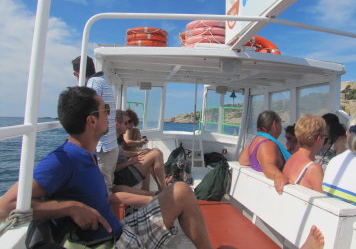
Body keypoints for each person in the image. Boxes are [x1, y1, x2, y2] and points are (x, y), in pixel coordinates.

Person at [0, 86, 213, 248]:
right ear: (92, 121)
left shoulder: (85, 153)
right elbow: (6, 206)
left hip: (120, 230)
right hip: (114, 243)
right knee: (182, 192)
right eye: (106, 110)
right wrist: (70, 208)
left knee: (178, 190)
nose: (111, 116)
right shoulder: (63, 160)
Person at [72, 56, 118, 194]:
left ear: (77, 74)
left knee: (103, 191)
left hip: (103, 148)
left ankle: (104, 215)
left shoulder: (93, 83)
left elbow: (90, 109)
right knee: (105, 187)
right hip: (109, 146)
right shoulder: (101, 81)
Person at [114, 110, 166, 194]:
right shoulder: (111, 142)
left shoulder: (117, 138)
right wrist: (129, 163)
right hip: (123, 175)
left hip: (127, 167)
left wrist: (138, 153)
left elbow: (122, 153)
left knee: (153, 152)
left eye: (129, 122)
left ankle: (149, 190)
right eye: (126, 123)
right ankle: (164, 192)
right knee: (157, 153)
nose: (128, 125)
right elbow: (112, 168)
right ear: (118, 125)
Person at [238, 110, 291, 194]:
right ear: (274, 125)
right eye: (280, 122)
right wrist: (278, 175)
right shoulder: (267, 144)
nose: (281, 126)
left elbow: (242, 161)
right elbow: (268, 166)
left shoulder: (254, 141)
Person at [283, 115, 326, 192]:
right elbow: (322, 201)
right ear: (318, 138)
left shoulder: (291, 159)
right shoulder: (313, 169)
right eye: (324, 137)